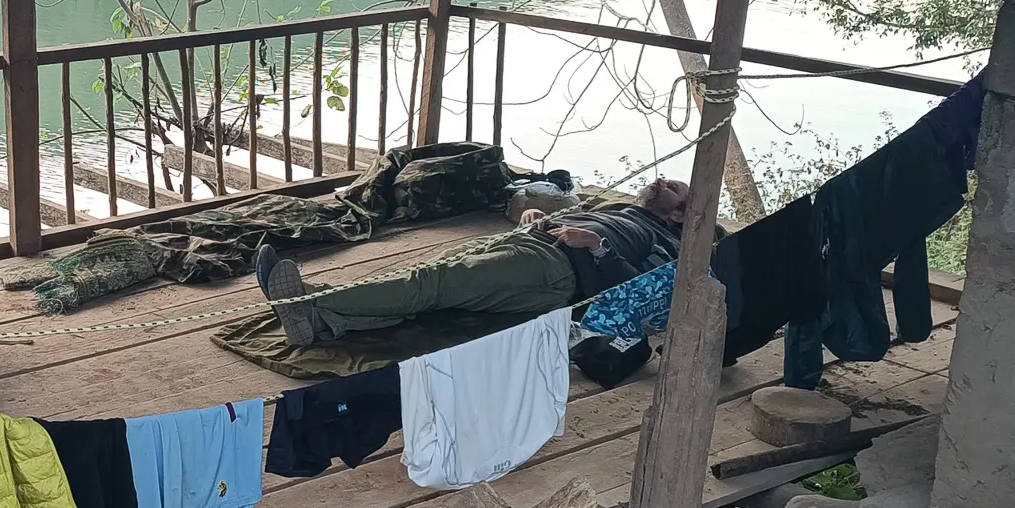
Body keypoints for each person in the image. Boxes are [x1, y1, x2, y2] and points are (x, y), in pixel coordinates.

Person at [258, 177, 693, 347]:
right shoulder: (620, 209)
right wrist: (546, 218)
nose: (661, 181)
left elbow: (636, 288)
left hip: (554, 269)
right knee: (427, 279)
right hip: (533, 242)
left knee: (433, 282)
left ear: (677, 215)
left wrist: (597, 245)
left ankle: (312, 303)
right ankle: (321, 316)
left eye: (674, 187)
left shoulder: (662, 241)